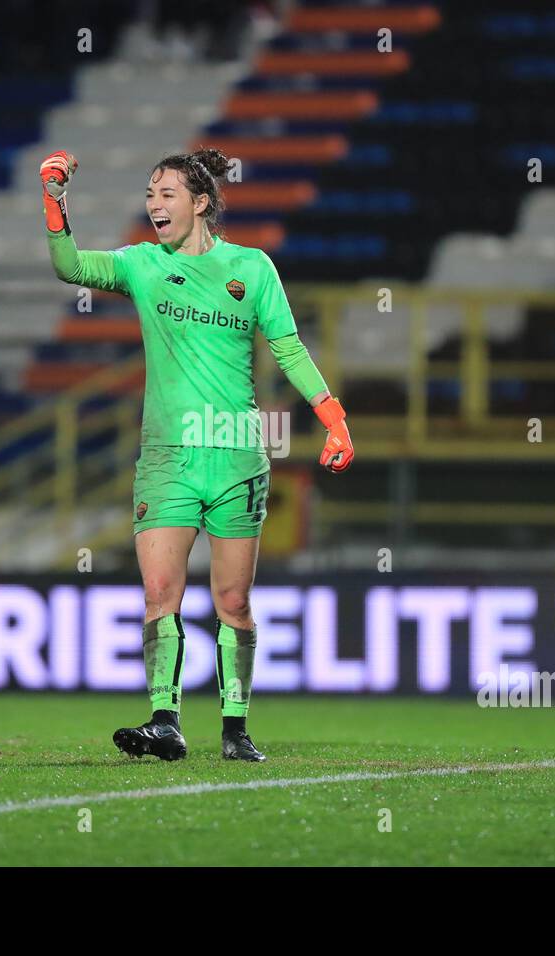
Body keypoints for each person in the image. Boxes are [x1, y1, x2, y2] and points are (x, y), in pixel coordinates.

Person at [40, 147, 353, 762]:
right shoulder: (142, 265)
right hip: (167, 457)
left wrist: (333, 419)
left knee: (233, 601)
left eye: (166, 194)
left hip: (237, 457)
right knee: (161, 593)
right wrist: (54, 200)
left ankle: (235, 731)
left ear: (200, 202)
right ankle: (165, 721)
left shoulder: (252, 268)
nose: (154, 204)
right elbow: (69, 267)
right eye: (150, 194)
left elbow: (289, 350)